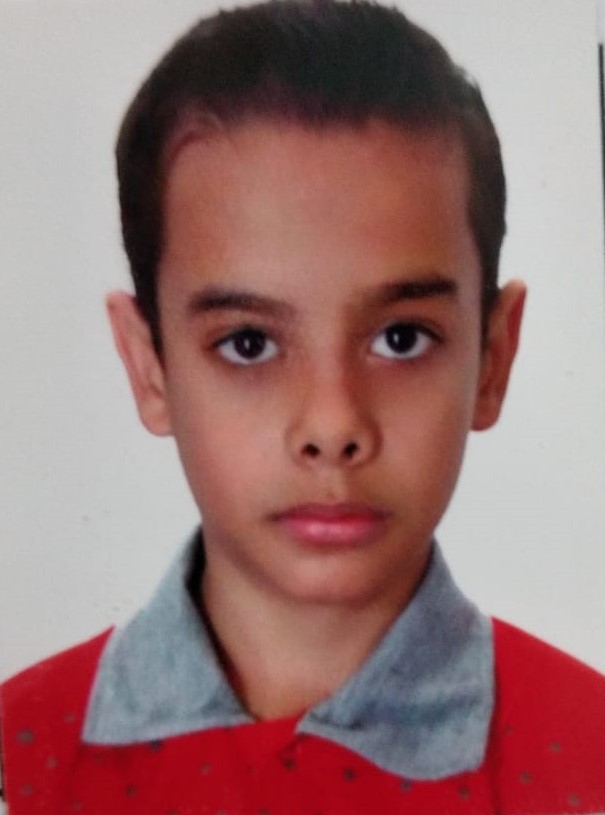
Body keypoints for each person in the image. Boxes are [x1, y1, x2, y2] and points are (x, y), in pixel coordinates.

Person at [1, 1, 603, 812]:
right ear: (149, 367)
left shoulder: (589, 752)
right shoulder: (22, 754)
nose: (332, 425)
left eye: (400, 338)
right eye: (248, 343)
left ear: (492, 356)